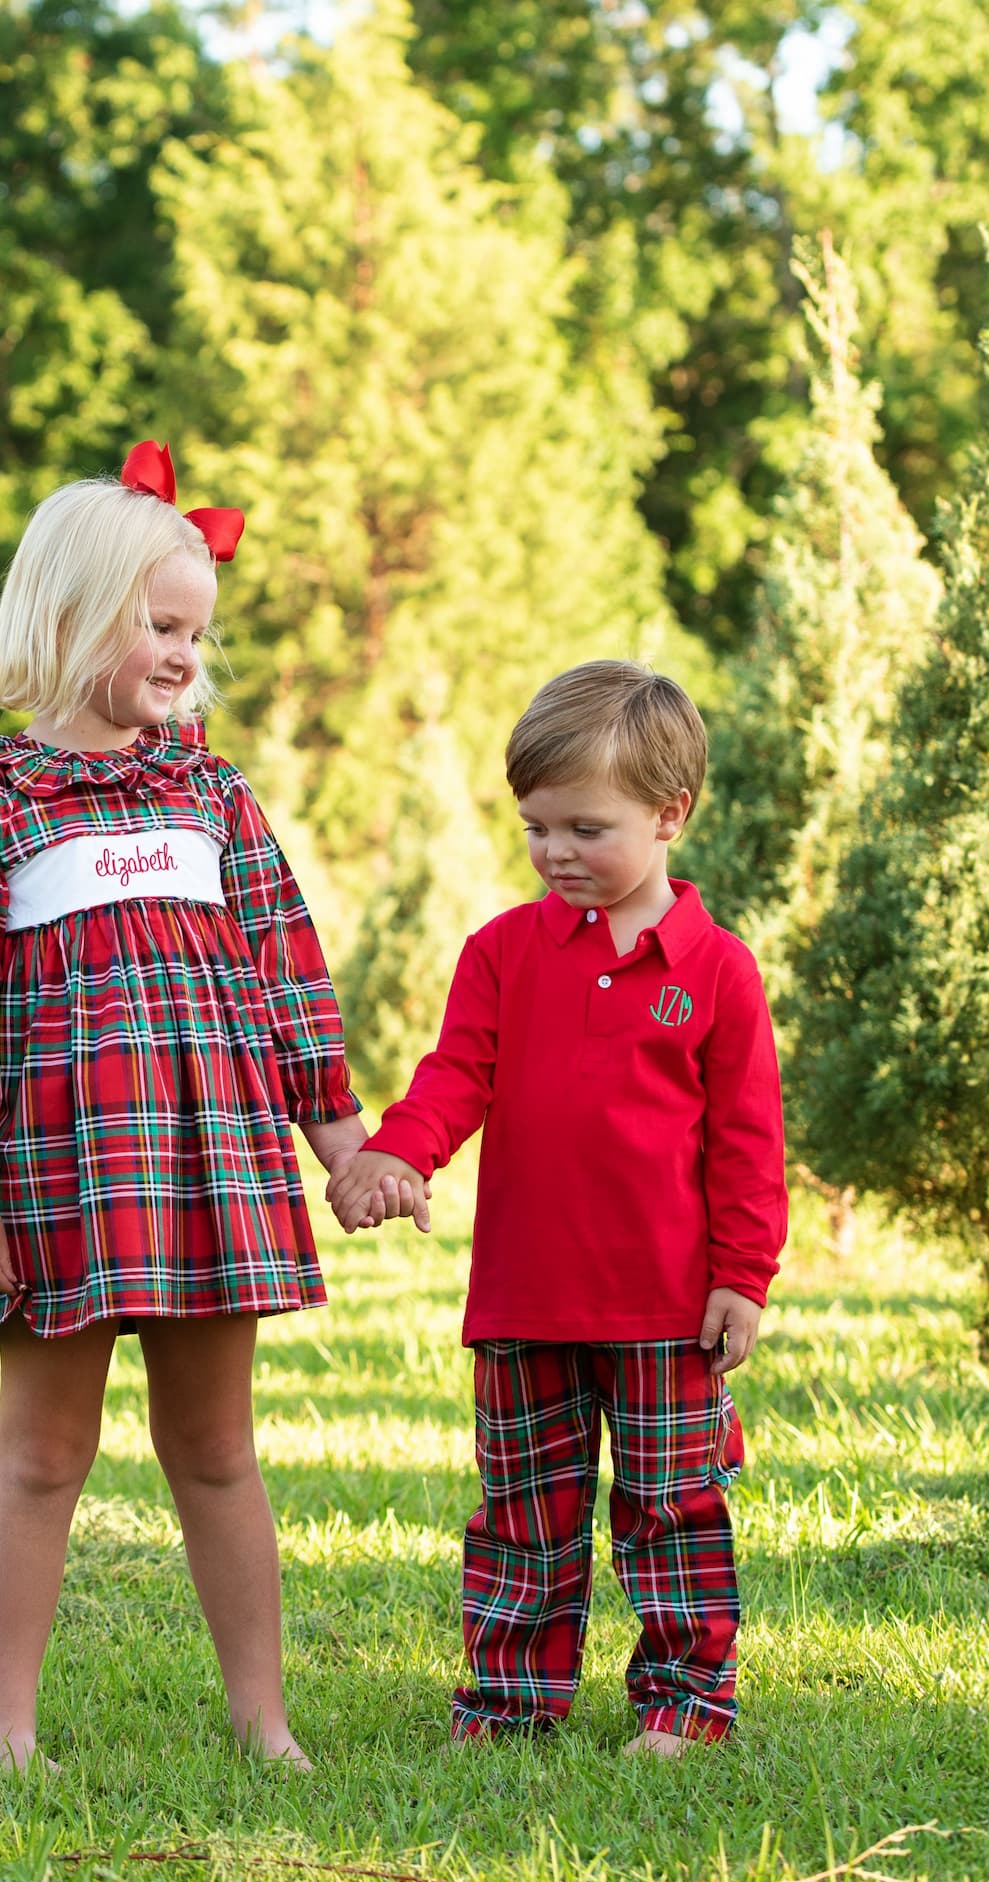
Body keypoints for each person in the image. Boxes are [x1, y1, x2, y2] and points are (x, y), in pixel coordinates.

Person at [0, 442, 381, 1771]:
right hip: (66, 1174)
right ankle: (7, 1730)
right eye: (156, 624)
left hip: (215, 1166)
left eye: (194, 631)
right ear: (66, 616)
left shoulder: (215, 796)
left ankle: (262, 1722)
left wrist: (341, 1144)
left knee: (217, 1448)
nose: (182, 653)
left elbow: (288, 980)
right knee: (44, 1451)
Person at [327, 661, 787, 1754]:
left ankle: (683, 1706)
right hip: (525, 1299)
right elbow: (454, 1078)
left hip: (668, 1307)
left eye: (587, 826)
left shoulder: (718, 972)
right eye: (537, 827)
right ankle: (509, 1704)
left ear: (671, 814)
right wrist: (399, 1154)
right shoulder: (502, 953)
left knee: (673, 1513)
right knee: (524, 1519)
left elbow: (747, 1144)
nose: (556, 852)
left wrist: (743, 1275)